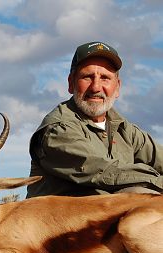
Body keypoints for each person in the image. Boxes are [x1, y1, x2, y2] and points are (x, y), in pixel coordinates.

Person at [27, 41, 163, 198]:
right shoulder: (57, 130)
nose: (96, 87)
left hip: (105, 216)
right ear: (71, 83)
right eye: (87, 77)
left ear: (117, 87)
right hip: (60, 220)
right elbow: (105, 173)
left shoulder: (124, 129)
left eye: (105, 78)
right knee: (140, 196)